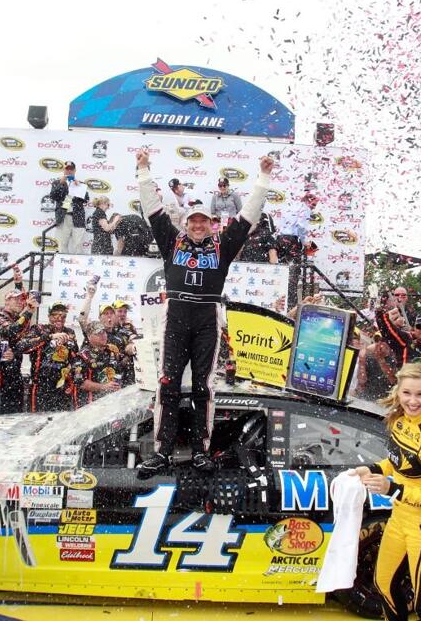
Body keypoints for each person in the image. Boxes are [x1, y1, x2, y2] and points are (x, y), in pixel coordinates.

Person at [135, 148, 273, 476]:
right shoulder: (172, 242)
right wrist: (143, 170)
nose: (198, 226)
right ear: (185, 223)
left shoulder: (222, 246)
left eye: (203, 221)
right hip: (177, 319)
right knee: (167, 384)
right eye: (193, 221)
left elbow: (248, 216)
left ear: (211, 224)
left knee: (202, 387)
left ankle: (200, 451)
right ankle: (162, 452)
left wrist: (264, 177)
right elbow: (152, 209)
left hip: (206, 320)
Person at [350, 363, 421, 621]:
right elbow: (398, 462)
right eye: (407, 393)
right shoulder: (398, 421)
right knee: (383, 584)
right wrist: (372, 468)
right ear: (398, 392)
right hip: (399, 519)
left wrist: (393, 489)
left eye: (420, 394)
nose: (412, 400)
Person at [19, 302, 79, 412]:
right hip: (41, 385)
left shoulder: (70, 332)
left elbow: (75, 358)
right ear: (49, 316)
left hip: (62, 385)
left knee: (62, 420)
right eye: (55, 315)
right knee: (36, 420)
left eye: (63, 315)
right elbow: (23, 347)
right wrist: (49, 337)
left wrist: (71, 375)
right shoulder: (39, 329)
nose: (59, 318)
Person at [73, 320, 124, 406]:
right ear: (89, 337)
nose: (103, 335)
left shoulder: (112, 351)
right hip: (90, 405)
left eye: (104, 332)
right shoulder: (82, 356)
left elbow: (119, 370)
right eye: (98, 333)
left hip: (111, 401)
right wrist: (104, 387)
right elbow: (80, 383)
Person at [53, 161, 89, 254]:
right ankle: (63, 265)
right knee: (62, 244)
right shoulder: (57, 182)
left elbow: (86, 199)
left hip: (78, 217)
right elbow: (53, 196)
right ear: (63, 170)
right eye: (67, 169)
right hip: (63, 217)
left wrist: (79, 187)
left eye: (71, 169)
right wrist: (61, 184)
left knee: (78, 245)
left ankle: (79, 266)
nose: (69, 171)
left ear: (75, 170)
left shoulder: (80, 183)